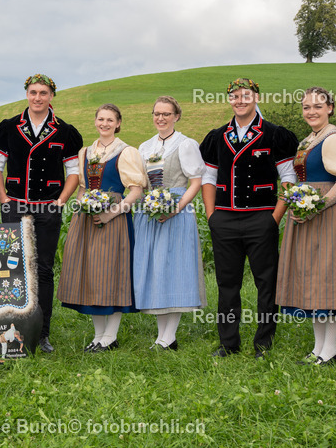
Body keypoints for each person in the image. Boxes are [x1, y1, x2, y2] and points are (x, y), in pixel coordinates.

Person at [200, 78, 298, 358]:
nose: (240, 100)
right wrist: (211, 215)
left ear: (257, 98)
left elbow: (288, 177)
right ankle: (228, 343)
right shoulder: (217, 136)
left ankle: (263, 344)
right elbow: (208, 177)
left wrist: (274, 218)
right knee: (227, 283)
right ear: (229, 100)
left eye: (246, 95)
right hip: (225, 219)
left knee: (266, 283)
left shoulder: (275, 134)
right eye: (234, 96)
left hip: (261, 219)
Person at [0, 74, 83, 353]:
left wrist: (61, 201)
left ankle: (42, 334)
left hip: (47, 208)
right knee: (11, 270)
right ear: (26, 94)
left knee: (43, 270)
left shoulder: (66, 131)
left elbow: (73, 172)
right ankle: (12, 332)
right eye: (33, 92)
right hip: (15, 206)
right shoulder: (8, 128)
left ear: (51, 96)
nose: (38, 97)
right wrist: (4, 199)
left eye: (43, 93)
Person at [275, 87, 336, 366]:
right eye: (306, 107)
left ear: (330, 108)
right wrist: (300, 204)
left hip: (330, 213)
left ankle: (331, 349)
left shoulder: (335, 139)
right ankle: (319, 347)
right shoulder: (309, 140)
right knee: (312, 277)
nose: (311, 112)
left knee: (328, 276)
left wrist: (318, 206)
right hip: (307, 211)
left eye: (317, 106)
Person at [56, 104, 145, 352]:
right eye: (101, 119)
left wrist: (110, 214)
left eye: (110, 120)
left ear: (118, 123)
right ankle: (98, 336)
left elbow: (135, 191)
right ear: (95, 121)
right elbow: (83, 187)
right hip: (87, 218)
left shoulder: (126, 152)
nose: (104, 124)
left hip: (115, 218)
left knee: (112, 274)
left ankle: (110, 336)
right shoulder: (85, 152)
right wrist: (81, 206)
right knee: (91, 276)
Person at [133, 96, 206, 350]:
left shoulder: (186, 144)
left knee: (174, 269)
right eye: (157, 113)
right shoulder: (145, 146)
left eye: (166, 114)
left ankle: (169, 336)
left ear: (176, 116)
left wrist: (176, 208)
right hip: (150, 211)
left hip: (177, 210)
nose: (161, 118)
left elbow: (195, 182)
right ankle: (162, 336)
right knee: (156, 270)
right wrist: (146, 204)